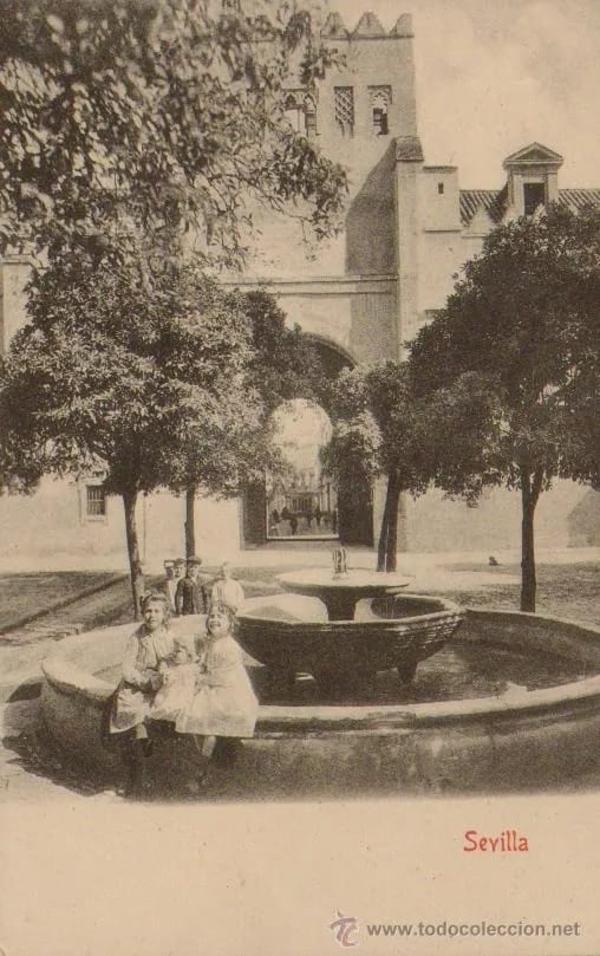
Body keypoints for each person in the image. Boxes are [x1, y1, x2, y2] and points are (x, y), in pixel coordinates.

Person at [176, 603, 259, 787]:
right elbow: (206, 664)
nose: (214, 620)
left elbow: (225, 677)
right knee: (193, 716)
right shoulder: (211, 642)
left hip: (230, 691)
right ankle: (210, 758)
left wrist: (201, 679)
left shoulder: (230, 647)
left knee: (208, 723)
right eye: (211, 617)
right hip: (213, 685)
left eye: (220, 617)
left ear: (230, 624)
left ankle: (202, 770)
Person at [109, 591, 176, 797]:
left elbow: (174, 659)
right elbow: (127, 668)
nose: (152, 615)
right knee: (134, 716)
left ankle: (159, 768)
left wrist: (166, 671)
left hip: (160, 684)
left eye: (157, 611)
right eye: (148, 611)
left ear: (165, 614)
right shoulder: (137, 638)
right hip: (137, 686)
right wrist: (142, 681)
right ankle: (138, 775)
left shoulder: (168, 636)